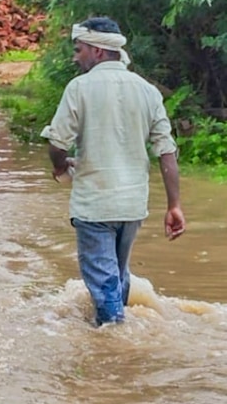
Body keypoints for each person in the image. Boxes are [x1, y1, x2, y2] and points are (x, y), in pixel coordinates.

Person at [41, 17, 185, 326]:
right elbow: (167, 151)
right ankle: (118, 332)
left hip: (95, 206)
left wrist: (60, 167)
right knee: (117, 275)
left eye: (78, 50)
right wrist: (174, 205)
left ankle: (115, 346)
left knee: (104, 284)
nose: (75, 56)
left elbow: (57, 142)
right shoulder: (147, 91)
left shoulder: (79, 88)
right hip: (132, 205)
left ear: (96, 51)